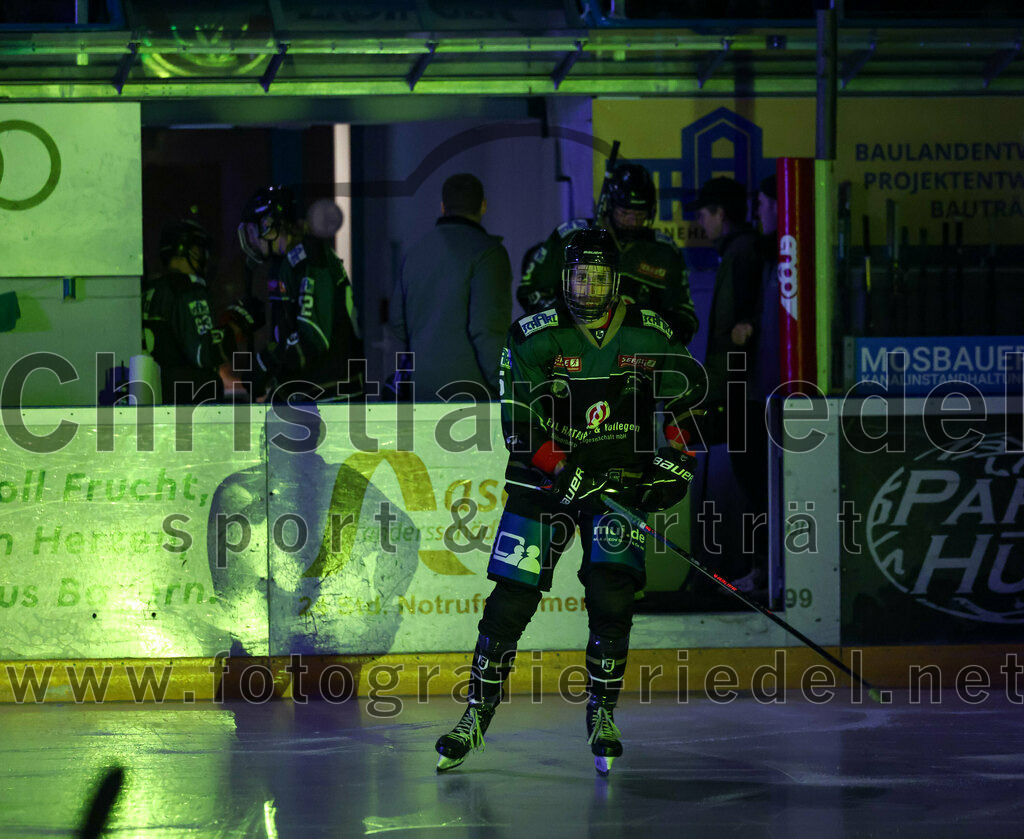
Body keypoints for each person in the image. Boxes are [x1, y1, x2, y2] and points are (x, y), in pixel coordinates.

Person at [434, 227, 706, 776]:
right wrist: (564, 468)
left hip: (616, 480)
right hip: (542, 483)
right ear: (564, 278)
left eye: (600, 276)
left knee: (612, 595)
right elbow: (518, 425)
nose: (589, 287)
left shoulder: (648, 332)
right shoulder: (535, 335)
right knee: (511, 597)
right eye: (581, 275)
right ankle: (475, 715)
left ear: (615, 280)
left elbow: (683, 406)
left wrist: (678, 464)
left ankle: (602, 712)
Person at [518, 162, 699, 345]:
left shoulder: (664, 252)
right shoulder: (571, 236)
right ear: (609, 205)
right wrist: (565, 323)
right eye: (624, 212)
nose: (631, 221)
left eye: (640, 215)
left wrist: (657, 336)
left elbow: (684, 315)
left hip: (638, 357)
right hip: (573, 350)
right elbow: (530, 291)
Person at [691, 176, 767, 592]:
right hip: (742, 391)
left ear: (720, 213)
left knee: (755, 482)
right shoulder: (740, 250)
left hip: (743, 393)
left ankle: (764, 574)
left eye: (703, 213)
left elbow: (740, 332)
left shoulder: (741, 252)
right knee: (752, 481)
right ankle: (763, 571)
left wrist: (719, 390)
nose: (701, 223)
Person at [389, 173, 513, 400]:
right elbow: (488, 328)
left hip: (422, 389)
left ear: (443, 206)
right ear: (483, 206)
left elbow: (397, 320)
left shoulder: (416, 252)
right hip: (472, 390)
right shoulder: (488, 254)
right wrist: (506, 385)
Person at [238, 185, 363, 402]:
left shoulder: (311, 260)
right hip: (314, 394)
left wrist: (265, 363)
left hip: (333, 396)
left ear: (269, 226)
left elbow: (312, 338)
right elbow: (290, 337)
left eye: (253, 231)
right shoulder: (290, 262)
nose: (252, 240)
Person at [142, 212, 262, 404]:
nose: (203, 258)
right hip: (188, 403)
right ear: (187, 250)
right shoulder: (188, 290)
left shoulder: (150, 289)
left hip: (156, 396)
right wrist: (239, 323)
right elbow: (205, 352)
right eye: (199, 250)